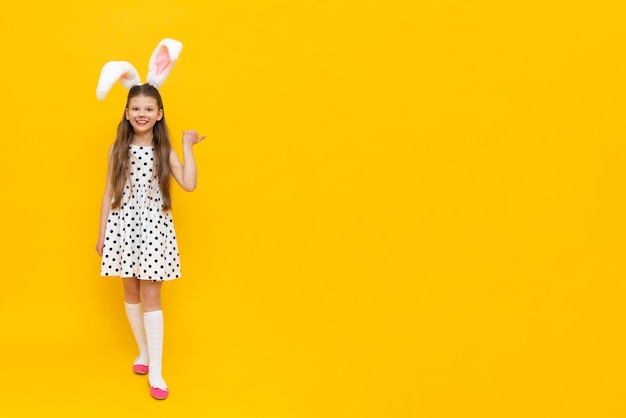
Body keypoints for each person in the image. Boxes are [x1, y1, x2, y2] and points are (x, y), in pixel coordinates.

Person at [95, 81, 205, 400]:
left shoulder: (163, 150)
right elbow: (107, 194)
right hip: (123, 227)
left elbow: (189, 183)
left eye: (148, 109)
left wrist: (187, 146)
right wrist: (102, 234)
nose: (141, 114)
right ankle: (143, 353)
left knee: (151, 296)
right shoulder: (116, 149)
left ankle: (155, 370)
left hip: (154, 229)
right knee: (130, 290)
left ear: (159, 114)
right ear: (127, 113)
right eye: (136, 109)